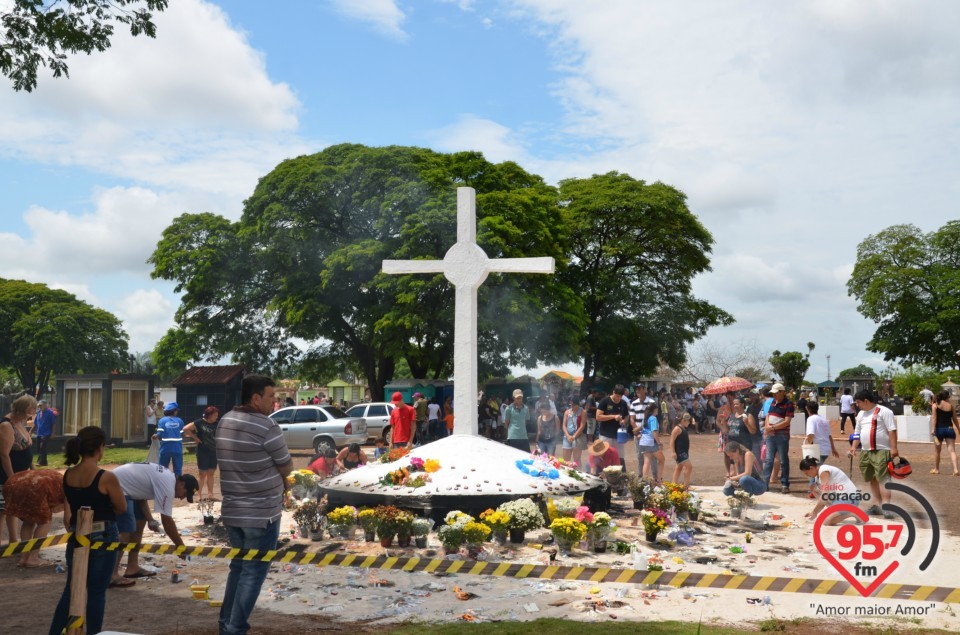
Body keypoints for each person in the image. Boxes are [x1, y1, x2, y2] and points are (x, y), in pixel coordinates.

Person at [216, 374, 293, 635]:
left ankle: (226, 624)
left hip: (233, 512)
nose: (275, 401)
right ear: (255, 397)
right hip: (261, 515)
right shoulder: (266, 426)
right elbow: (287, 466)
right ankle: (234, 628)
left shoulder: (226, 420)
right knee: (253, 572)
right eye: (271, 396)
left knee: (238, 568)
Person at [48, 427, 127, 635]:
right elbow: (121, 508)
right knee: (96, 592)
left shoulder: (69, 474)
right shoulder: (106, 477)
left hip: (77, 534)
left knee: (72, 589)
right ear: (100, 448)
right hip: (104, 533)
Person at [113, 462, 198, 583]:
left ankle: (132, 567)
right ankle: (112, 574)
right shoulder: (167, 484)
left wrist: (150, 519)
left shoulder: (166, 477)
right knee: (125, 531)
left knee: (140, 522)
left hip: (126, 488)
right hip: (118, 487)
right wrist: (180, 547)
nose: (182, 498)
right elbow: (167, 521)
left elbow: (141, 496)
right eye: (185, 494)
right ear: (182, 484)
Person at [847, 390, 898, 519]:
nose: (857, 405)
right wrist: (853, 447)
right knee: (872, 478)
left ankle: (886, 506)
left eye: (858, 402)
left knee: (883, 478)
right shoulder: (861, 415)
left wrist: (894, 448)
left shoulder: (884, 412)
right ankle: (877, 505)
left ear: (866, 401)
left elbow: (892, 430)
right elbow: (857, 432)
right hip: (865, 451)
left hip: (881, 450)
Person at [2, 468, 63, 567]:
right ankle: (33, 558)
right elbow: (67, 518)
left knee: (28, 520)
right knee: (45, 521)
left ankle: (24, 558)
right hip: (35, 487)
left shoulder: (62, 480)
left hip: (12, 483)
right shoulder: (69, 490)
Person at [1, 394, 36, 543]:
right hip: (6, 475)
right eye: (31, 409)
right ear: (23, 409)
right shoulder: (6, 425)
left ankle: (14, 540)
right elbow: (4, 454)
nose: (34, 412)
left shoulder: (20, 422)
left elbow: (27, 446)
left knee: (13, 508)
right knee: (2, 509)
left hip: (22, 474)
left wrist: (32, 468)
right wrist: (11, 477)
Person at [800, 457, 861, 525]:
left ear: (811, 468)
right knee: (815, 490)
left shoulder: (823, 471)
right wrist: (814, 512)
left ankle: (853, 513)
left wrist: (814, 512)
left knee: (826, 521)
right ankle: (838, 511)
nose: (807, 476)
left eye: (807, 473)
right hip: (840, 498)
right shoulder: (818, 476)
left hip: (849, 497)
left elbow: (824, 497)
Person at [182, 406, 220, 500]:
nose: (216, 417)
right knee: (202, 474)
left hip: (214, 451)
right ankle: (199, 495)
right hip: (203, 451)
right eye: (215, 415)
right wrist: (195, 438)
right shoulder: (199, 422)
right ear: (209, 415)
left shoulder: (217, 423)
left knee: (211, 473)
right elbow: (185, 428)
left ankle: (210, 495)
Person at [762, 383, 794, 494]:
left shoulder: (789, 404)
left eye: (776, 393)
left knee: (783, 460)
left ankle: (785, 484)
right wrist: (767, 427)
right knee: (768, 460)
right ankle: (764, 483)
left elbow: (787, 421)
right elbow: (768, 416)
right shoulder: (773, 402)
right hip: (771, 435)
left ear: (782, 392)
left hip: (782, 435)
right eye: (773, 393)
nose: (774, 395)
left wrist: (771, 427)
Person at [804, 401, 839, 496]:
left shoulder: (811, 419)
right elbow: (829, 436)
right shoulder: (823, 420)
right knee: (816, 468)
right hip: (825, 447)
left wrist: (809, 445)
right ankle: (816, 488)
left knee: (813, 469)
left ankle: (814, 489)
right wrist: (833, 448)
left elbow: (811, 434)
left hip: (816, 448)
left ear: (807, 409)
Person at [596, 384, 630, 460]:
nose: (618, 398)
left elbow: (627, 416)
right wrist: (613, 416)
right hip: (605, 435)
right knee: (603, 456)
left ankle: (618, 471)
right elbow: (598, 417)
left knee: (618, 457)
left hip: (618, 436)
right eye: (617, 396)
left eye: (620, 397)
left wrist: (624, 421)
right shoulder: (604, 401)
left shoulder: (623, 403)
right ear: (613, 392)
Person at [930, 389, 959, 475]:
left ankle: (937, 469)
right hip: (949, 429)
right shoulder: (951, 406)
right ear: (946, 397)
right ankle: (956, 470)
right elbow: (955, 419)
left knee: (937, 451)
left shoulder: (935, 405)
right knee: (952, 451)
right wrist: (958, 428)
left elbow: (934, 419)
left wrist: (932, 429)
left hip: (939, 430)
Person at [636, 400, 665, 482]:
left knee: (646, 462)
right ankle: (658, 479)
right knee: (662, 460)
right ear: (654, 410)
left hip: (643, 442)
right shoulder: (653, 418)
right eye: (657, 410)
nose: (657, 412)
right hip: (651, 442)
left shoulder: (645, 418)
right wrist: (659, 443)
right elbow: (654, 431)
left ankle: (644, 481)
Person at [155, 401, 185, 476]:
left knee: (162, 469)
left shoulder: (162, 420)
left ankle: (162, 485)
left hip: (165, 448)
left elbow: (159, 435)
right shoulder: (179, 420)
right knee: (178, 469)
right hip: (177, 448)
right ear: (174, 411)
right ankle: (177, 485)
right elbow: (183, 434)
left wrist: (155, 436)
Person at [670, 412, 694, 486]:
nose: (689, 423)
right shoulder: (677, 428)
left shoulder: (683, 428)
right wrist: (673, 452)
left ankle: (673, 484)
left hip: (684, 451)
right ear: (683, 420)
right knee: (689, 467)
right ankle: (686, 485)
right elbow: (672, 440)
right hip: (680, 452)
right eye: (688, 421)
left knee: (679, 467)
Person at [560, 399, 587, 466]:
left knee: (577, 459)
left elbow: (582, 426)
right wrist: (567, 435)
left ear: (577, 404)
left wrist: (574, 436)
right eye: (570, 405)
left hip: (578, 436)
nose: (572, 406)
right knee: (566, 459)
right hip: (567, 436)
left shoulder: (583, 412)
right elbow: (564, 425)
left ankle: (578, 472)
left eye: (573, 405)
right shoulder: (567, 412)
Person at [34, 399, 56, 466]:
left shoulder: (50, 413)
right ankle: (44, 463)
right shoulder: (38, 412)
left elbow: (53, 423)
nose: (39, 407)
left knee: (42, 447)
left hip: (46, 433)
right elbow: (35, 423)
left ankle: (40, 462)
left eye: (41, 405)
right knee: (38, 448)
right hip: (39, 433)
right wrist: (30, 431)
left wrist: (53, 433)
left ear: (45, 405)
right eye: (39, 406)